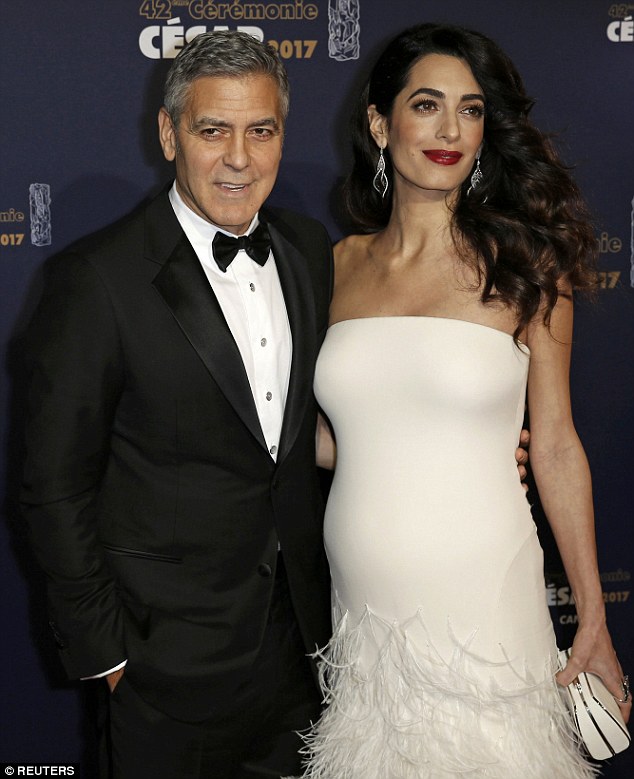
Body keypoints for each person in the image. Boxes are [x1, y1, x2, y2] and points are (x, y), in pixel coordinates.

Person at [303, 22, 630, 778]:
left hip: (484, 595)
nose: (450, 130)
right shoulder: (335, 266)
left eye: (471, 109)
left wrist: (593, 615)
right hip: (363, 610)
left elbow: (555, 442)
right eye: (426, 105)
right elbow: (330, 437)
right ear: (380, 124)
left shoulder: (528, 264)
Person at [19, 31, 334, 779]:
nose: (239, 158)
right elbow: (53, 486)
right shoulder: (95, 279)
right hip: (162, 672)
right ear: (169, 135)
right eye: (213, 130)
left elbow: (313, 430)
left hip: (302, 659)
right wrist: (107, 656)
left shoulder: (310, 249)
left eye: (262, 131)